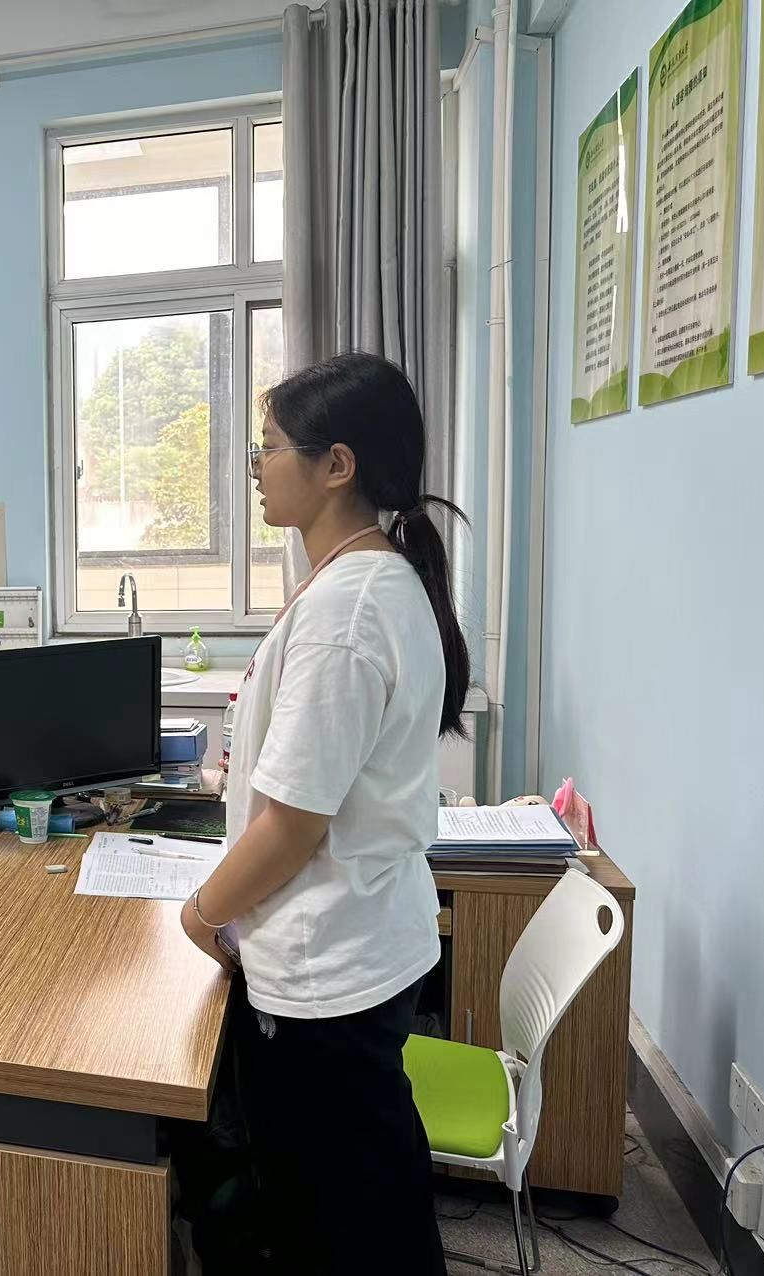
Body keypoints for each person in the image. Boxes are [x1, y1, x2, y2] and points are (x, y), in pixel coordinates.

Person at [180, 352, 467, 1274]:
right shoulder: (361, 579)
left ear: (336, 465)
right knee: (365, 1192)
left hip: (325, 969)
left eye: (269, 448)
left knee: (346, 1219)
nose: (257, 468)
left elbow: (294, 825)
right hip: (354, 947)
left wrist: (200, 913)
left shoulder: (349, 608)